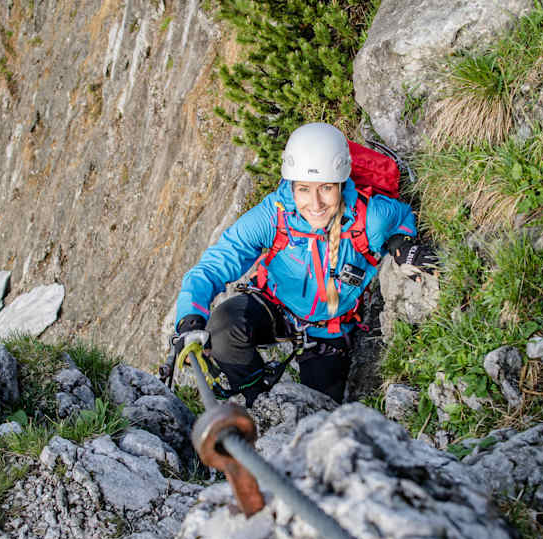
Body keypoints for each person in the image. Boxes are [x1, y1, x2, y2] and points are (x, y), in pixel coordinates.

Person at [172, 122, 434, 405]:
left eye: (326, 189)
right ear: (292, 187)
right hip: (276, 304)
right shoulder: (274, 216)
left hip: (329, 330)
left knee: (320, 413)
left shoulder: (369, 218)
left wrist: (401, 245)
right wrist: (190, 317)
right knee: (223, 328)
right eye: (304, 190)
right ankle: (258, 401)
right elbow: (216, 263)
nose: (316, 203)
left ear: (342, 184)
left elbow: (402, 217)